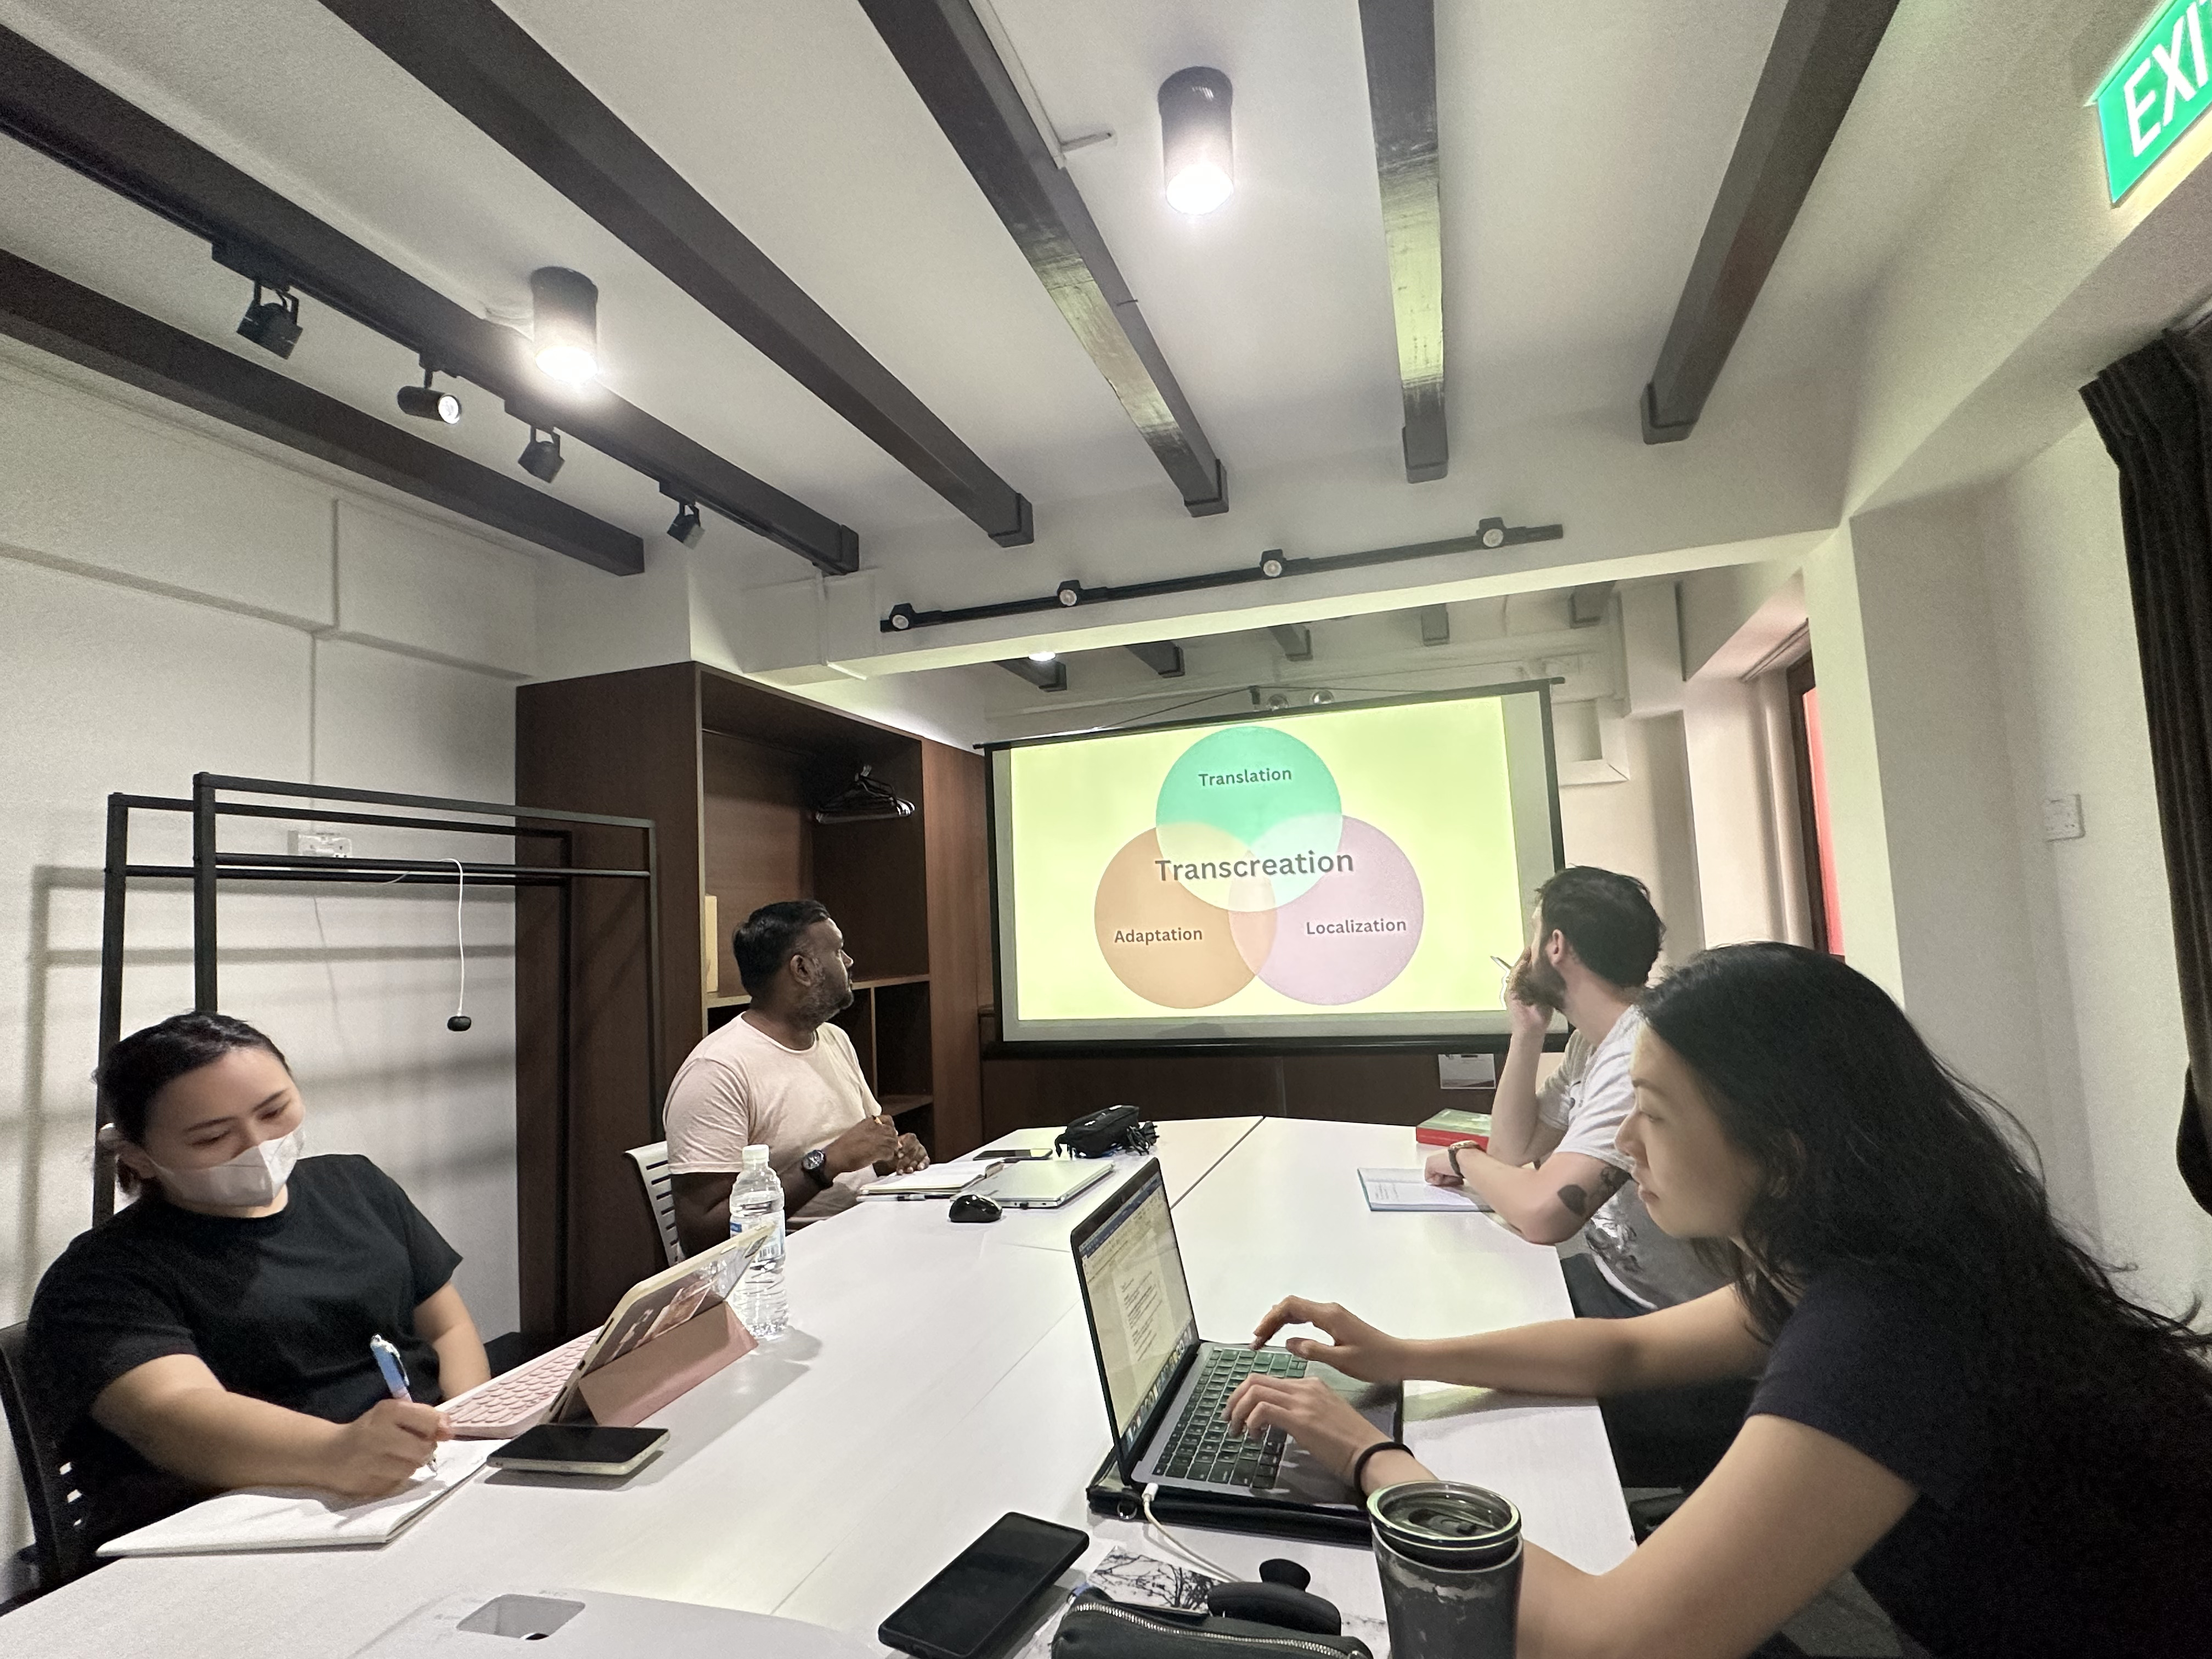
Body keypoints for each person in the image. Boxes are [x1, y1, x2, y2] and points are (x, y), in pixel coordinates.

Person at [1228, 944, 2212, 1659]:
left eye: (1651, 1116)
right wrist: (1404, 1353)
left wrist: (1371, 1459)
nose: (1630, 1147)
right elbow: (1627, 1354)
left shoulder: (1883, 1328)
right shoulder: (1881, 1256)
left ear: (1781, 1150)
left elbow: (1617, 1640)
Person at [29, 1013, 489, 1539]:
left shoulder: (356, 1186)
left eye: (274, 1111)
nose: (256, 1145)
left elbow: (447, 1328)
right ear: (140, 1157)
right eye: (211, 1138)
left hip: (420, 1485)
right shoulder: (101, 1277)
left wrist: (468, 1430)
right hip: (238, 1523)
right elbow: (176, 1415)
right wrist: (338, 1452)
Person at [1427, 865, 1740, 1486]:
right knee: (1460, 1318)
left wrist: (1466, 1161)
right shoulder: (1593, 1045)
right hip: (1610, 1293)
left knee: (1461, 1413)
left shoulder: (1638, 1052)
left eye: (1534, 933)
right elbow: (1514, 1151)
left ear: (1556, 946)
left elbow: (1544, 1212)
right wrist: (1526, 1032)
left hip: (1678, 1351)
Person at [667, 900, 928, 1256]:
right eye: (838, 951)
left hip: (863, 1240)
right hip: (788, 1267)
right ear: (802, 969)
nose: (849, 962)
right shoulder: (717, 1071)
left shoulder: (835, 1040)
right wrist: (827, 1163)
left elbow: (861, 1156)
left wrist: (890, 1155)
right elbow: (701, 1237)